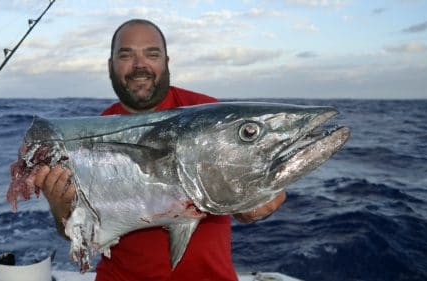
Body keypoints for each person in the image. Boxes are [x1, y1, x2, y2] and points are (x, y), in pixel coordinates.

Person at [34, 19, 286, 281]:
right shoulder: (88, 139)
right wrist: (61, 209)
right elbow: (78, 233)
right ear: (111, 66)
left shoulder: (212, 115)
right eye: (126, 54)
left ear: (166, 62)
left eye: (151, 53)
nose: (139, 64)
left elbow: (243, 190)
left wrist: (256, 201)